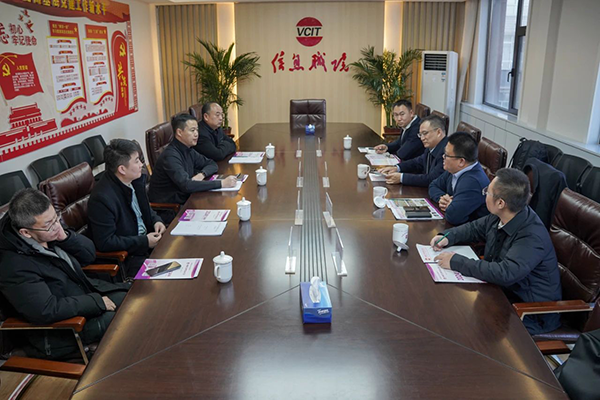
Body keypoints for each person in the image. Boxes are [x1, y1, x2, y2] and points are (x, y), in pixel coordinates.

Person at [0, 189, 130, 360]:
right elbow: (45, 310)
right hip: (62, 330)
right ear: (26, 232)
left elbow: (88, 255)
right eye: (49, 224)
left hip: (81, 297)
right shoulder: (13, 265)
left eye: (56, 218)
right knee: (126, 321)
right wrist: (96, 302)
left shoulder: (50, 231)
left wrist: (66, 237)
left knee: (133, 299)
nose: (56, 225)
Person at [430, 168, 562, 335]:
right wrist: (447, 237)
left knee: (462, 325)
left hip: (529, 312)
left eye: (487, 192)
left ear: (500, 203)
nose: (484, 194)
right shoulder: (503, 214)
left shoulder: (531, 236)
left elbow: (504, 273)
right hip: (500, 292)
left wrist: (456, 261)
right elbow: (474, 228)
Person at [88, 139, 166, 277]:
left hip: (148, 244)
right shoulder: (102, 198)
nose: (141, 164)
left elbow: (144, 210)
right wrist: (144, 242)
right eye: (136, 161)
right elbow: (106, 242)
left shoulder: (133, 180)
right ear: (122, 169)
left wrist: (156, 221)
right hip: (130, 258)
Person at [148, 113, 237, 205]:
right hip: (172, 208)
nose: (196, 134)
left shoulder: (188, 149)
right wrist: (222, 183)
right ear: (179, 132)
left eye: (197, 130)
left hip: (187, 198)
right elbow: (187, 185)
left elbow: (212, 164)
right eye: (192, 130)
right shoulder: (170, 156)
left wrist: (202, 174)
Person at [429, 132, 490, 225]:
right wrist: (442, 199)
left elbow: (454, 216)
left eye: (446, 155)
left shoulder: (473, 182)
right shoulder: (455, 169)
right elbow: (433, 185)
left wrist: (451, 206)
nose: (443, 157)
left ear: (461, 161)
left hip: (470, 231)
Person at [379, 115, 447, 187]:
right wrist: (397, 168)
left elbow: (432, 179)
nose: (422, 138)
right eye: (420, 135)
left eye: (425, 133)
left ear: (438, 132)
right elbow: (417, 162)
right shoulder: (431, 146)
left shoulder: (446, 151)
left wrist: (401, 178)